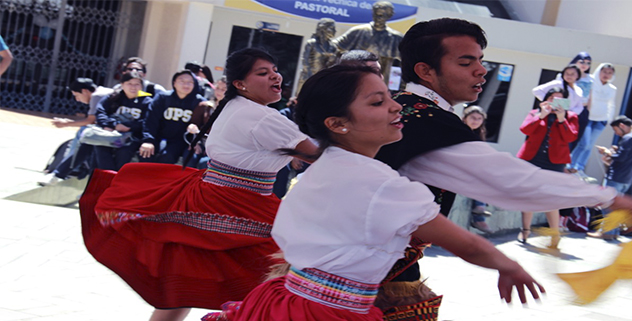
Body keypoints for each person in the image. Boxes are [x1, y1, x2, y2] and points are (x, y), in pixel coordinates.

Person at [205, 64, 546, 321]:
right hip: (327, 313)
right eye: (378, 102)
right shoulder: (383, 185)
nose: (396, 107)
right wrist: (508, 266)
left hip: (282, 300)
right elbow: (466, 243)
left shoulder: (324, 165)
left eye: (390, 97)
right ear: (338, 123)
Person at [371, 18, 632, 318]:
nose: (481, 70)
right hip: (367, 278)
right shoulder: (430, 124)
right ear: (425, 71)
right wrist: (609, 197)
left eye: (480, 60)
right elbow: (512, 182)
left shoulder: (401, 108)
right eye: (465, 62)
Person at [79, 48, 317, 321]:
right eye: (263, 73)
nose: (275, 76)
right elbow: (320, 156)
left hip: (207, 199)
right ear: (240, 84)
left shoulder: (235, 106)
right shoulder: (264, 117)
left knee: (179, 294)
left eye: (275, 70)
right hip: (234, 204)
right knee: (285, 277)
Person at [517, 87, 579, 248]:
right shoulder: (535, 112)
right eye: (552, 98)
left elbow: (570, 137)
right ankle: (525, 230)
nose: (554, 102)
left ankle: (554, 234)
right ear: (546, 99)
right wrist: (541, 115)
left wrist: (561, 119)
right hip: (532, 158)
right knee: (528, 195)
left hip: (555, 161)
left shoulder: (571, 117)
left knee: (551, 198)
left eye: (559, 99)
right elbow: (525, 129)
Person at [39, 78, 113, 186]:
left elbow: (90, 120)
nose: (77, 100)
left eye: (76, 95)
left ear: (85, 91)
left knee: (84, 134)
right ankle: (62, 172)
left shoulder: (97, 96)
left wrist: (66, 124)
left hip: (114, 130)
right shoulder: (103, 91)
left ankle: (64, 171)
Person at [587, 116, 632, 240]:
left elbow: (621, 157)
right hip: (628, 177)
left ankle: (607, 232)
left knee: (609, 205)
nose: (617, 134)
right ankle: (613, 232)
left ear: (622, 125)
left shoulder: (629, 137)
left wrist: (607, 152)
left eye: (616, 130)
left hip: (617, 175)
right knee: (617, 206)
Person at [139, 69, 206, 165]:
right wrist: (148, 140)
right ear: (174, 83)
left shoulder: (199, 102)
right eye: (182, 81)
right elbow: (150, 121)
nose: (186, 85)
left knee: (167, 156)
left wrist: (196, 141)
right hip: (159, 137)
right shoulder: (162, 98)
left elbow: (203, 125)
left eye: (190, 82)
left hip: (182, 141)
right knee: (145, 154)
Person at [93, 71, 153, 171]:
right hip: (111, 133)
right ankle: (107, 177)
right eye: (129, 84)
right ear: (122, 85)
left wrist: (129, 126)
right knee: (100, 146)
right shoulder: (113, 97)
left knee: (124, 152)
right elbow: (100, 112)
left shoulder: (147, 101)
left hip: (133, 137)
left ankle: (115, 178)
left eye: (137, 84)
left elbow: (148, 120)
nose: (133, 87)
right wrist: (113, 125)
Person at [333, 1, 403, 82]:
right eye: (376, 14)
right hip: (355, 79)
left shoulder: (396, 38)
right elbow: (335, 46)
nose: (378, 18)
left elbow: (407, 61)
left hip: (380, 82)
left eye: (382, 15)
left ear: (389, 16)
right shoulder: (359, 31)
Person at [569, 63, 617, 174]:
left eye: (610, 73)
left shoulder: (612, 88)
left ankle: (579, 168)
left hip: (601, 120)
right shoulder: (591, 83)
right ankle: (571, 164)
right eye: (604, 71)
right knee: (584, 143)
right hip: (588, 118)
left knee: (590, 145)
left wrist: (609, 119)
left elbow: (611, 104)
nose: (606, 75)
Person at [462, 106, 494, 234]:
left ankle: (480, 211)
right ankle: (479, 215)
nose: (476, 121)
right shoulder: (460, 131)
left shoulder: (479, 133)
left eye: (479, 119)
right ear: (465, 119)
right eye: (473, 118)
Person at [184, 76, 227, 169]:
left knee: (204, 163)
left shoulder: (232, 109)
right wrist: (195, 140)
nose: (219, 92)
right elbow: (193, 123)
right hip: (202, 142)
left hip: (220, 148)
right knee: (189, 157)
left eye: (223, 89)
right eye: (218, 88)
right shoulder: (205, 105)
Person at [297, 18, 339, 91]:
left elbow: (331, 66)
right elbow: (305, 61)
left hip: (321, 79)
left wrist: (332, 59)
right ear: (323, 28)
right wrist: (310, 76)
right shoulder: (312, 43)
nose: (335, 31)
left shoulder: (332, 47)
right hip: (307, 77)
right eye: (332, 28)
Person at [569, 52, 594, 147]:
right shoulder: (565, 75)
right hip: (568, 109)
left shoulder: (590, 79)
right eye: (582, 62)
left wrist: (587, 111)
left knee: (576, 137)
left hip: (582, 110)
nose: (585, 65)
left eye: (588, 63)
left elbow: (590, 97)